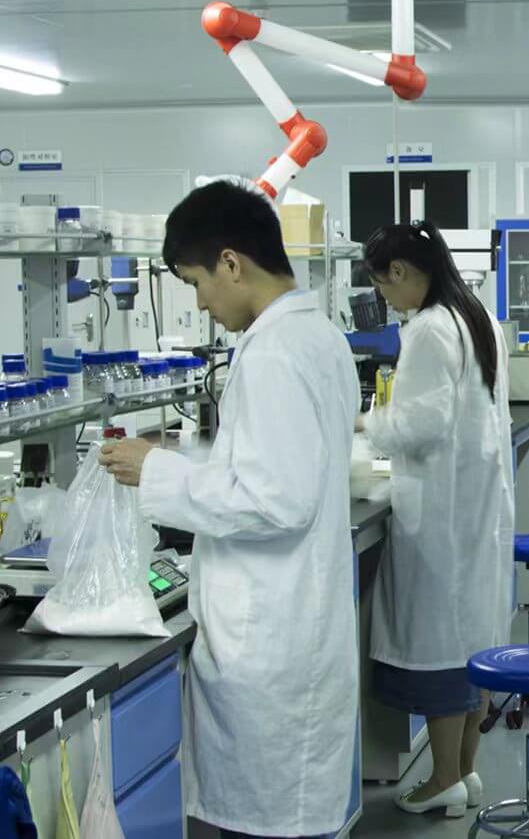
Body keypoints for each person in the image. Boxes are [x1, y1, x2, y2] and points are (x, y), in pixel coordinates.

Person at [99, 179, 359, 839]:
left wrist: (157, 472)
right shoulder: (316, 334)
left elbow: (275, 502)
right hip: (297, 624)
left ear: (231, 263)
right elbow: (282, 474)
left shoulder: (273, 352)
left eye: (195, 282)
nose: (200, 302)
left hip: (272, 643)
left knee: (269, 824)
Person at [356, 222, 515, 817]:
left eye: (382, 285)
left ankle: (443, 777)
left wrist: (367, 423)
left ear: (399, 272)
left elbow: (421, 424)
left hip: (442, 513)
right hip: (477, 503)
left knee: (442, 647)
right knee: (472, 642)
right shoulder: (477, 316)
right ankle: (465, 771)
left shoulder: (428, 328)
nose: (386, 298)